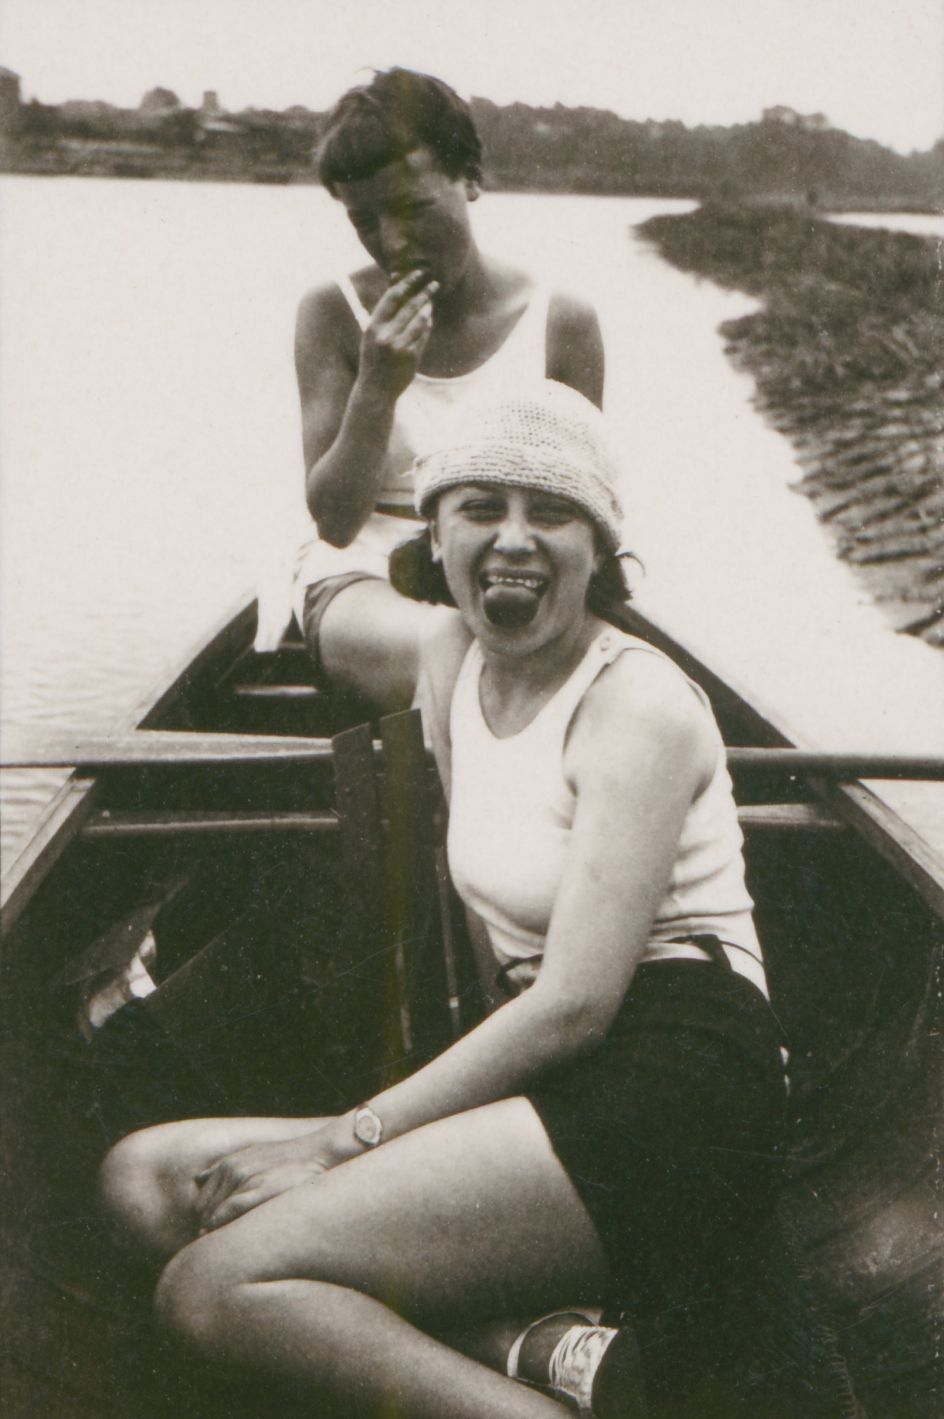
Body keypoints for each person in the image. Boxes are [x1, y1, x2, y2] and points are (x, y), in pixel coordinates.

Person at [100, 382, 788, 1417]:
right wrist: (307, 568)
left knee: (211, 1287)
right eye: (479, 508)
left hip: (675, 1081)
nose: (512, 540)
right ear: (434, 533)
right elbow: (335, 603)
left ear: (599, 548)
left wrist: (345, 1138)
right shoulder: (449, 659)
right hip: (549, 1077)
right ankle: (532, 1348)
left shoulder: (635, 703)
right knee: (145, 1180)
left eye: (549, 512)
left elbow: (575, 1003)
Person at [289, 67, 604, 707]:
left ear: (471, 180)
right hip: (364, 576)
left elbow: (578, 516)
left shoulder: (560, 322)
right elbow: (335, 524)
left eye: (414, 209)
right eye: (366, 221)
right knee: (457, 650)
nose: (394, 242)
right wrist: (377, 387)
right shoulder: (333, 313)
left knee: (619, 677)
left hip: (511, 567)